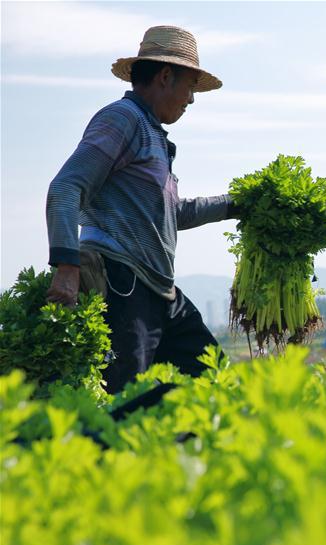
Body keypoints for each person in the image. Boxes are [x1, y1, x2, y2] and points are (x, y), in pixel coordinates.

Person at [45, 25, 236, 393]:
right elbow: (67, 187)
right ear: (166, 76)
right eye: (190, 87)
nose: (191, 100)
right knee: (123, 404)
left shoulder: (151, 134)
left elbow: (171, 214)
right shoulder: (123, 119)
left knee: (216, 384)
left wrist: (234, 205)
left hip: (160, 291)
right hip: (123, 284)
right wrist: (67, 267)